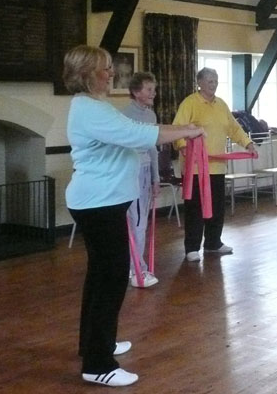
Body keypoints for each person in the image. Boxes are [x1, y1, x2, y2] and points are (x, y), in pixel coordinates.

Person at [63, 45, 204, 387]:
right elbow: (140, 135)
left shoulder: (95, 106)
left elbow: (136, 130)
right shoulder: (89, 109)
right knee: (111, 279)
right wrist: (187, 130)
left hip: (101, 202)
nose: (112, 73)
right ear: (87, 74)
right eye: (105, 68)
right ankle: (98, 364)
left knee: (100, 277)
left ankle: (95, 344)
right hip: (98, 204)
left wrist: (182, 127)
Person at [172, 67, 257, 263]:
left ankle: (213, 243)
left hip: (217, 166)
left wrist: (248, 144)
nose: (214, 84)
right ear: (200, 83)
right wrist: (183, 146)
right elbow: (178, 128)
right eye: (210, 81)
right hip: (195, 168)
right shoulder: (190, 103)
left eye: (216, 80)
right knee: (195, 208)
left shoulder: (221, 104)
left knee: (217, 206)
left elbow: (234, 128)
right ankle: (192, 247)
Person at [121, 72, 161, 288]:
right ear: (136, 92)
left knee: (140, 221)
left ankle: (135, 265)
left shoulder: (151, 115)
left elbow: (153, 149)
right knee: (137, 222)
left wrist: (156, 178)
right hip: (131, 172)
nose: (153, 93)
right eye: (149, 89)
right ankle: (137, 269)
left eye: (154, 89)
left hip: (145, 172)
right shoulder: (124, 115)